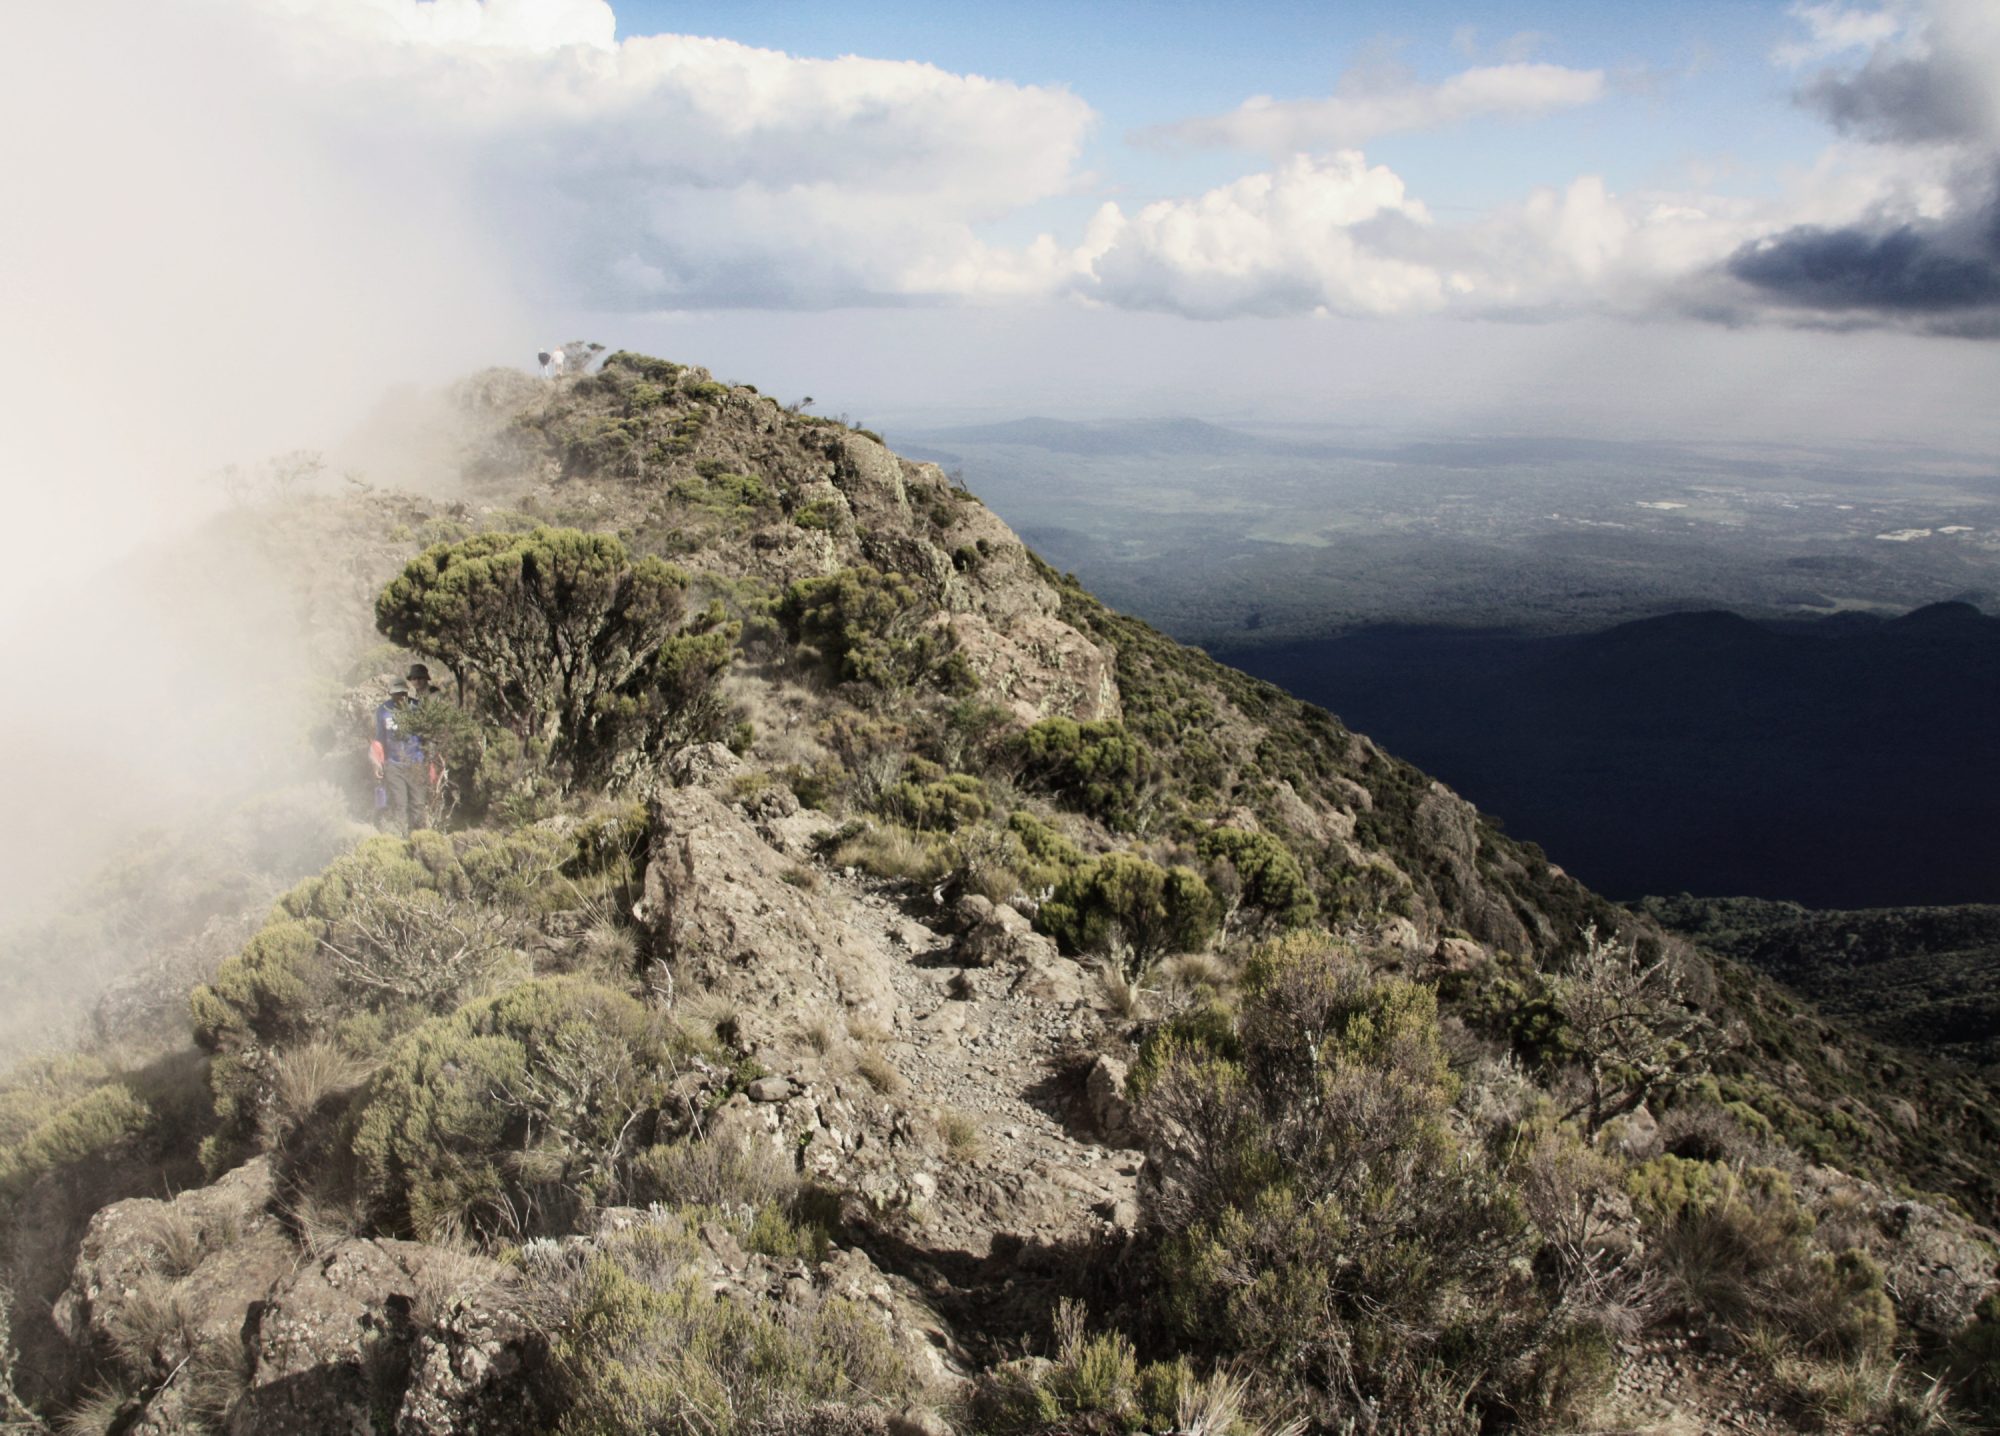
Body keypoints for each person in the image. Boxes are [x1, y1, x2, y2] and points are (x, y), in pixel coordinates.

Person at [371, 681, 427, 834]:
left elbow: (428, 734)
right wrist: (377, 762)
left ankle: (419, 837)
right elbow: (379, 738)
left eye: (403, 693)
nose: (400, 697)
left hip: (415, 762)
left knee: (418, 803)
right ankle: (401, 837)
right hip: (393, 764)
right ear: (391, 694)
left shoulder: (417, 707)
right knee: (399, 804)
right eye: (397, 694)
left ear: (407, 693)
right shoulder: (383, 710)